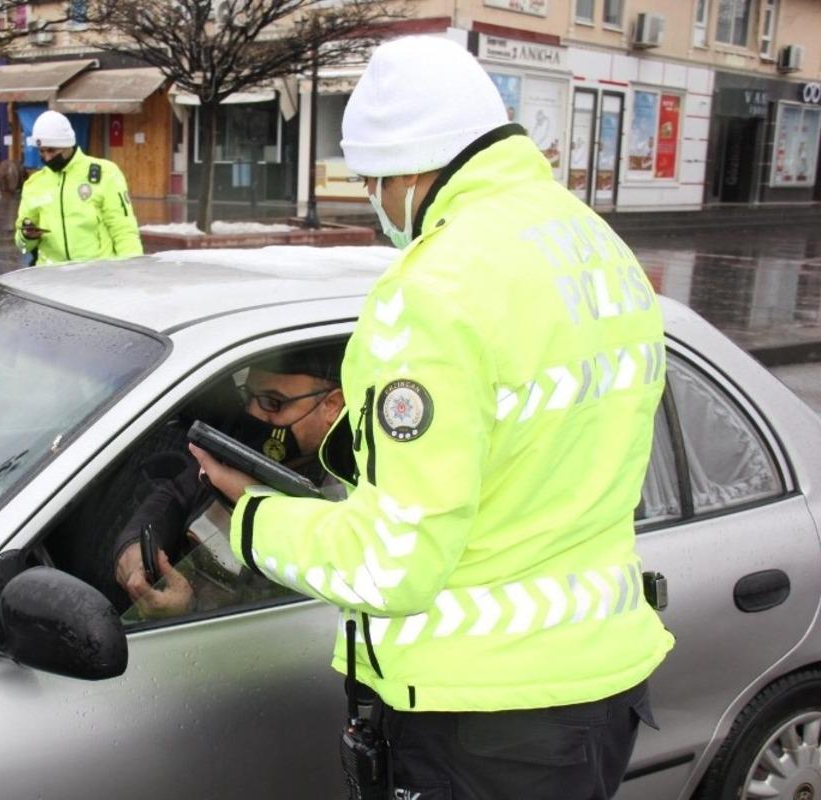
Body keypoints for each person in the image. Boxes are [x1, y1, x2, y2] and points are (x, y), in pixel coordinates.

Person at [193, 36, 674, 799]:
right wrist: (357, 446)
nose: (378, 203)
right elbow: (526, 426)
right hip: (595, 693)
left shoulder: (436, 288)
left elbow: (392, 565)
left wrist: (250, 519)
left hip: (481, 722)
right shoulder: (594, 246)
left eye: (374, 182)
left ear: (411, 167)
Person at [115, 347, 345, 619]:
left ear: (332, 406)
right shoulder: (242, 446)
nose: (255, 414)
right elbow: (175, 494)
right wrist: (134, 551)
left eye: (274, 402)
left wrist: (185, 613)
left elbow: (276, 613)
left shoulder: (342, 495)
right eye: (249, 396)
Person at [13, 110, 143, 266]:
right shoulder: (34, 184)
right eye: (41, 151)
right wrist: (27, 237)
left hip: (96, 275)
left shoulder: (105, 173)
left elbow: (123, 230)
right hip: (50, 279)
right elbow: (22, 246)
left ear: (68, 144)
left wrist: (133, 270)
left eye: (52, 150)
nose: (46, 157)